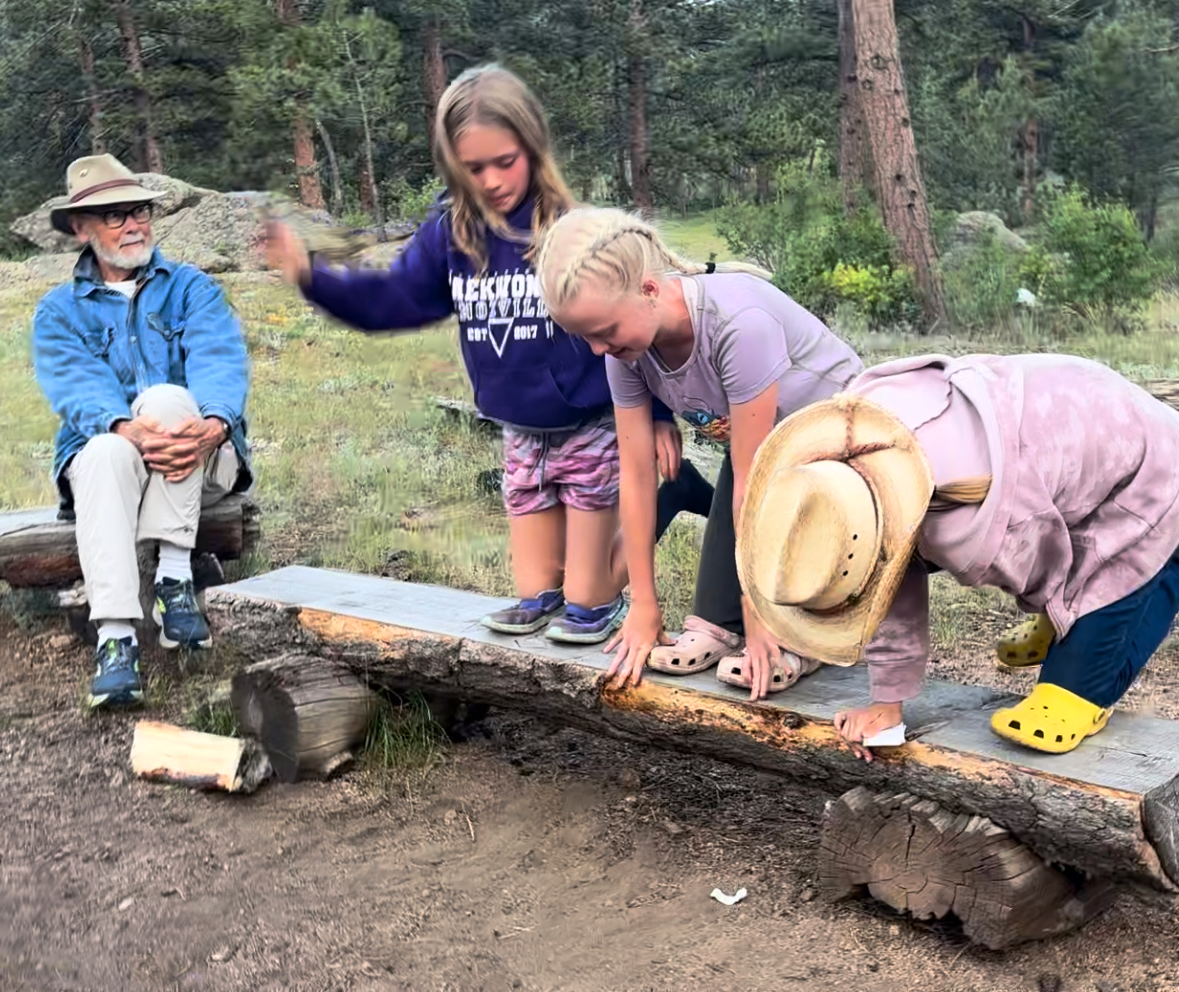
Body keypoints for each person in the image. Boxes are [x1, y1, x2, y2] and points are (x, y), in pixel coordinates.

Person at [267, 64, 703, 645]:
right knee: (535, 591)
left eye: (506, 161)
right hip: (518, 430)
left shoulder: (569, 231)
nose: (493, 180)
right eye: (474, 168)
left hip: (590, 422)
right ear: (453, 164)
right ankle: (554, 591)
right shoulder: (451, 233)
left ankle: (661, 505)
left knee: (586, 600)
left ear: (532, 146)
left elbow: (629, 327)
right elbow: (394, 300)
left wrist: (654, 416)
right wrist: (310, 277)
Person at [735, 353, 1179, 756]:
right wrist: (886, 705)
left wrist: (1067, 613)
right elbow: (890, 578)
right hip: (1076, 408)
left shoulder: (965, 530)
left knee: (1071, 689)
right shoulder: (852, 438)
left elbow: (1051, 552)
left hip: (1151, 468)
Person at [535, 207, 864, 700]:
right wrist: (644, 604)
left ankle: (798, 630)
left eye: (604, 332)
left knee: (762, 493)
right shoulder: (627, 352)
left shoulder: (738, 324)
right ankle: (718, 624)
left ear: (648, 290)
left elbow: (753, 484)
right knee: (740, 495)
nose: (598, 349)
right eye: (587, 338)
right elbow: (638, 475)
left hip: (840, 449)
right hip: (764, 446)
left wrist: (761, 623)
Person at [32, 153, 252, 709]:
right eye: (115, 216)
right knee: (103, 449)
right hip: (116, 468)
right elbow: (77, 387)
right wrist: (127, 429)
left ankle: (174, 577)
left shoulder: (192, 288)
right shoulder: (58, 311)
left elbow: (220, 359)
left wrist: (213, 424)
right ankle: (116, 639)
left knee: (170, 399)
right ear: (81, 229)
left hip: (201, 456)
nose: (134, 225)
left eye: (141, 211)